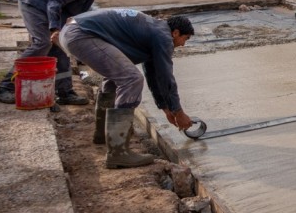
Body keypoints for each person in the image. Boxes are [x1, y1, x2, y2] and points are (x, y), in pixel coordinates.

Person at [57, 9, 196, 169]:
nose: (183, 44)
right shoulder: (164, 37)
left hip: (71, 31)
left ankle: (102, 134)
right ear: (175, 32)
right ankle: (118, 153)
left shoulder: (154, 30)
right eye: (185, 38)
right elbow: (166, 76)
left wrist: (165, 108)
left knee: (116, 78)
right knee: (132, 79)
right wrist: (178, 111)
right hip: (82, 35)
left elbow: (153, 75)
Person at [0, 0, 124, 105]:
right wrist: (54, 28)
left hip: (47, 5)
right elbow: (55, 1)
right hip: (34, 1)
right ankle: (5, 87)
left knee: (61, 45)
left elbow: (76, 7)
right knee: (43, 43)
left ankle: (65, 92)